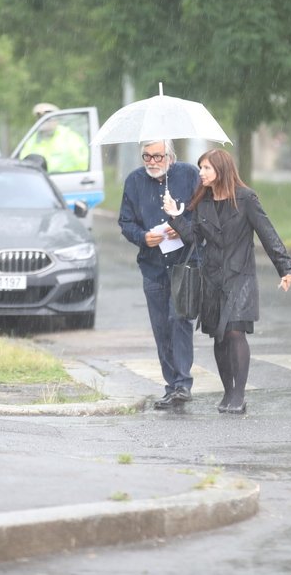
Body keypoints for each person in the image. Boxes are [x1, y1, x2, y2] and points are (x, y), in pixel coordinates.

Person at [164, 148, 291, 415]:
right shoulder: (203, 202)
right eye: (200, 168)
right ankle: (227, 391)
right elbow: (194, 238)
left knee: (235, 331)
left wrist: (286, 267)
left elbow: (267, 233)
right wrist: (176, 216)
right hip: (211, 278)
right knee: (220, 336)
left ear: (221, 170)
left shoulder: (246, 199)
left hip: (240, 277)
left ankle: (239, 394)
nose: (201, 173)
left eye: (206, 168)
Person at [119, 139, 201, 410]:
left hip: (185, 262)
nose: (152, 162)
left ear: (171, 156)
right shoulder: (134, 181)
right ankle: (171, 385)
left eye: (157, 156)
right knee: (161, 327)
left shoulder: (189, 175)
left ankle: (182, 384)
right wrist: (143, 237)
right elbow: (125, 221)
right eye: (147, 157)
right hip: (153, 265)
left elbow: (203, 214)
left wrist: (183, 227)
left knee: (179, 319)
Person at [17, 102, 89, 173]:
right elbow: (23, 165)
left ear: (57, 119)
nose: (44, 121)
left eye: (48, 117)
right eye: (39, 117)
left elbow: (84, 164)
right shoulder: (31, 140)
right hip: (39, 181)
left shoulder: (70, 138)